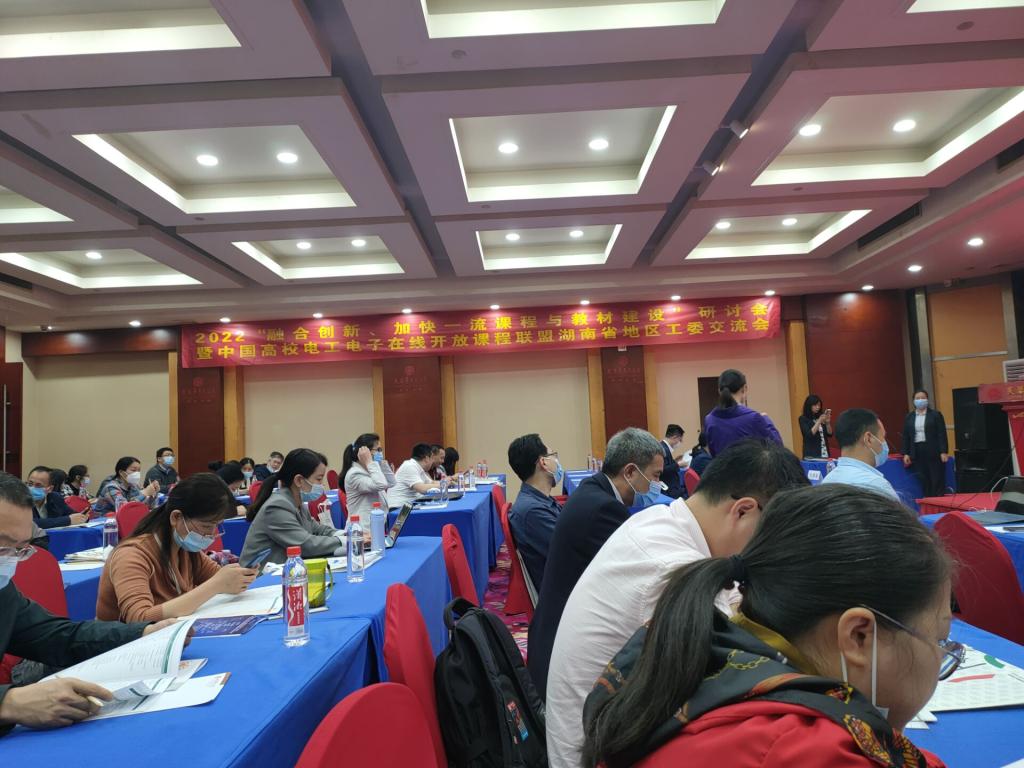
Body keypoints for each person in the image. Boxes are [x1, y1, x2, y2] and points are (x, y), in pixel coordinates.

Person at [581, 484, 955, 768]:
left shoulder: (698, 649)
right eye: (940, 639)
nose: (941, 657)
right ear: (859, 635)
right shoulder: (812, 751)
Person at [546, 440, 808, 768]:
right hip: (595, 753)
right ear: (742, 511)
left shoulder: (658, 519)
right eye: (773, 538)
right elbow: (744, 666)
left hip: (604, 732)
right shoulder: (670, 570)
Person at [0, 472, 176, 735]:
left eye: (20, 549)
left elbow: (57, 636)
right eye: (2, 546)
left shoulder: (4, 592)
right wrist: (8, 703)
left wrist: (142, 632)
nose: (10, 560)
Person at [528, 427, 664, 696]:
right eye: (656, 476)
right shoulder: (603, 509)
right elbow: (643, 571)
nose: (658, 485)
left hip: (555, 632)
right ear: (630, 472)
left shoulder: (593, 490)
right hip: (564, 654)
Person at [96, 473, 257, 623]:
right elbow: (139, 619)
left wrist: (241, 576)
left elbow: (221, 580)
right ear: (176, 517)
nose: (211, 534)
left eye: (216, 525)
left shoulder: (185, 548)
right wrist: (216, 585)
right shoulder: (131, 555)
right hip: (131, 642)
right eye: (207, 526)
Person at [240, 448, 344, 565]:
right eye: (319, 479)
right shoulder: (277, 506)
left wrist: (343, 534)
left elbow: (317, 529)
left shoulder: (297, 503)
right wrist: (342, 541)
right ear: (299, 480)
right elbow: (305, 545)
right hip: (261, 574)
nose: (321, 485)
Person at [507, 434, 563, 590]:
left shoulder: (539, 500)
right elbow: (572, 553)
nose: (557, 461)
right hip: (564, 592)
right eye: (553, 455)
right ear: (543, 462)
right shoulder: (532, 512)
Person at [822, 408, 899, 501]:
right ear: (869, 439)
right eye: (883, 437)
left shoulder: (826, 482)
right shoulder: (877, 487)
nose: (884, 443)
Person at [703, 369, 782, 456]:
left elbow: (713, 453)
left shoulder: (709, 420)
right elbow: (778, 448)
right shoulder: (753, 418)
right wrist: (766, 420)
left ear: (719, 391)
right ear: (744, 388)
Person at [902, 389, 949, 498]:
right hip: (917, 450)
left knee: (936, 476)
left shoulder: (935, 415)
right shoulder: (909, 417)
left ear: (927, 399)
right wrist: (906, 453)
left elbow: (941, 434)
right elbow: (906, 436)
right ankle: (927, 499)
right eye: (917, 398)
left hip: (933, 450)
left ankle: (938, 499)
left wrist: (943, 451)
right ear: (913, 401)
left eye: (923, 398)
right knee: (923, 478)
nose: (920, 400)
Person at [343, 433, 396, 522]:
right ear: (365, 453)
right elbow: (381, 484)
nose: (380, 453)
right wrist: (370, 462)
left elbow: (392, 482)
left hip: (377, 523)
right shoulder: (354, 474)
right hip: (363, 527)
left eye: (381, 450)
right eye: (378, 450)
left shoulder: (370, 469)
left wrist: (381, 462)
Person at [93, 457, 161, 516]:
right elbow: (125, 509)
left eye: (139, 471)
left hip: (123, 518)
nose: (137, 473)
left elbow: (147, 506)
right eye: (133, 470)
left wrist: (153, 493)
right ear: (121, 472)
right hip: (103, 521)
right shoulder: (111, 487)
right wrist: (144, 493)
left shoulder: (134, 486)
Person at [387, 443, 440, 508]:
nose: (433, 462)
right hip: (398, 509)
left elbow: (432, 483)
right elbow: (422, 489)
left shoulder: (418, 467)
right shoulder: (410, 466)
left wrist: (446, 483)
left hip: (409, 506)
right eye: (432, 458)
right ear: (426, 458)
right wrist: (443, 485)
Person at [799, 394, 833, 460]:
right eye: (815, 405)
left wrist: (828, 423)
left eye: (819, 405)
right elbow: (809, 435)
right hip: (811, 455)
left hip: (824, 453)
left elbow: (830, 434)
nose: (818, 407)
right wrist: (819, 421)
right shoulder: (803, 419)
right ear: (809, 405)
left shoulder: (820, 417)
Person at [659, 424, 686, 499]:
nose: (680, 442)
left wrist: (675, 461)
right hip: (668, 490)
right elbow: (662, 469)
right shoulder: (663, 449)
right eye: (680, 440)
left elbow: (666, 464)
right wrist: (678, 465)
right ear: (674, 437)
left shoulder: (664, 447)